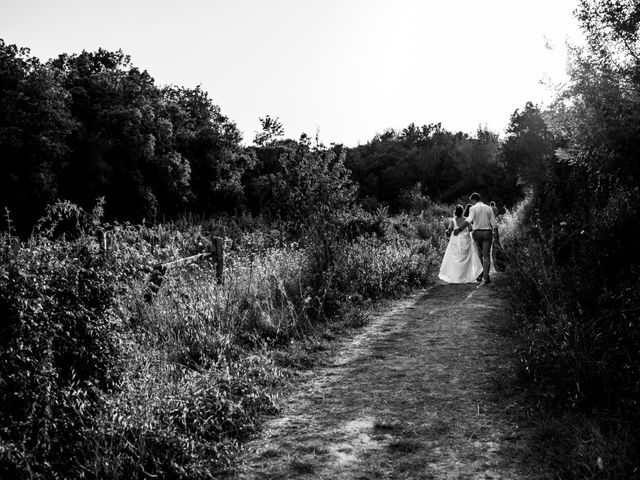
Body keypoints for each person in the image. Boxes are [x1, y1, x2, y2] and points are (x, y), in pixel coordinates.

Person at [454, 192, 497, 284]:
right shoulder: (489, 208)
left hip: (476, 233)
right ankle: (486, 277)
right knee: (486, 255)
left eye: (472, 201)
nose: (472, 203)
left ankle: (479, 276)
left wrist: (459, 229)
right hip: (487, 232)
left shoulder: (473, 208)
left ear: (474, 200)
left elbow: (469, 220)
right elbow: (494, 223)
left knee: (479, 255)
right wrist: (496, 235)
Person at [438, 204, 483, 283]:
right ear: (462, 212)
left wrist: (448, 232)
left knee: (455, 259)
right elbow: (470, 229)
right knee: (467, 258)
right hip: (465, 240)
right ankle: (466, 277)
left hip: (455, 242)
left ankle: (456, 277)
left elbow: (449, 231)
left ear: (455, 212)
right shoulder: (467, 220)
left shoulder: (453, 221)